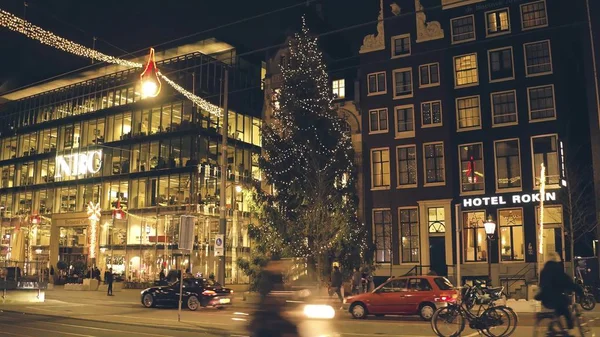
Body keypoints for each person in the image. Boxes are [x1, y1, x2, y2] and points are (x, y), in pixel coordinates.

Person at [536, 252, 583, 336]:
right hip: (555, 299)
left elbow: (542, 285)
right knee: (565, 309)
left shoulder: (543, 270)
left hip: (546, 299)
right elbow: (566, 281)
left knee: (560, 310)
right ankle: (568, 329)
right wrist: (578, 289)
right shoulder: (556, 269)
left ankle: (556, 328)